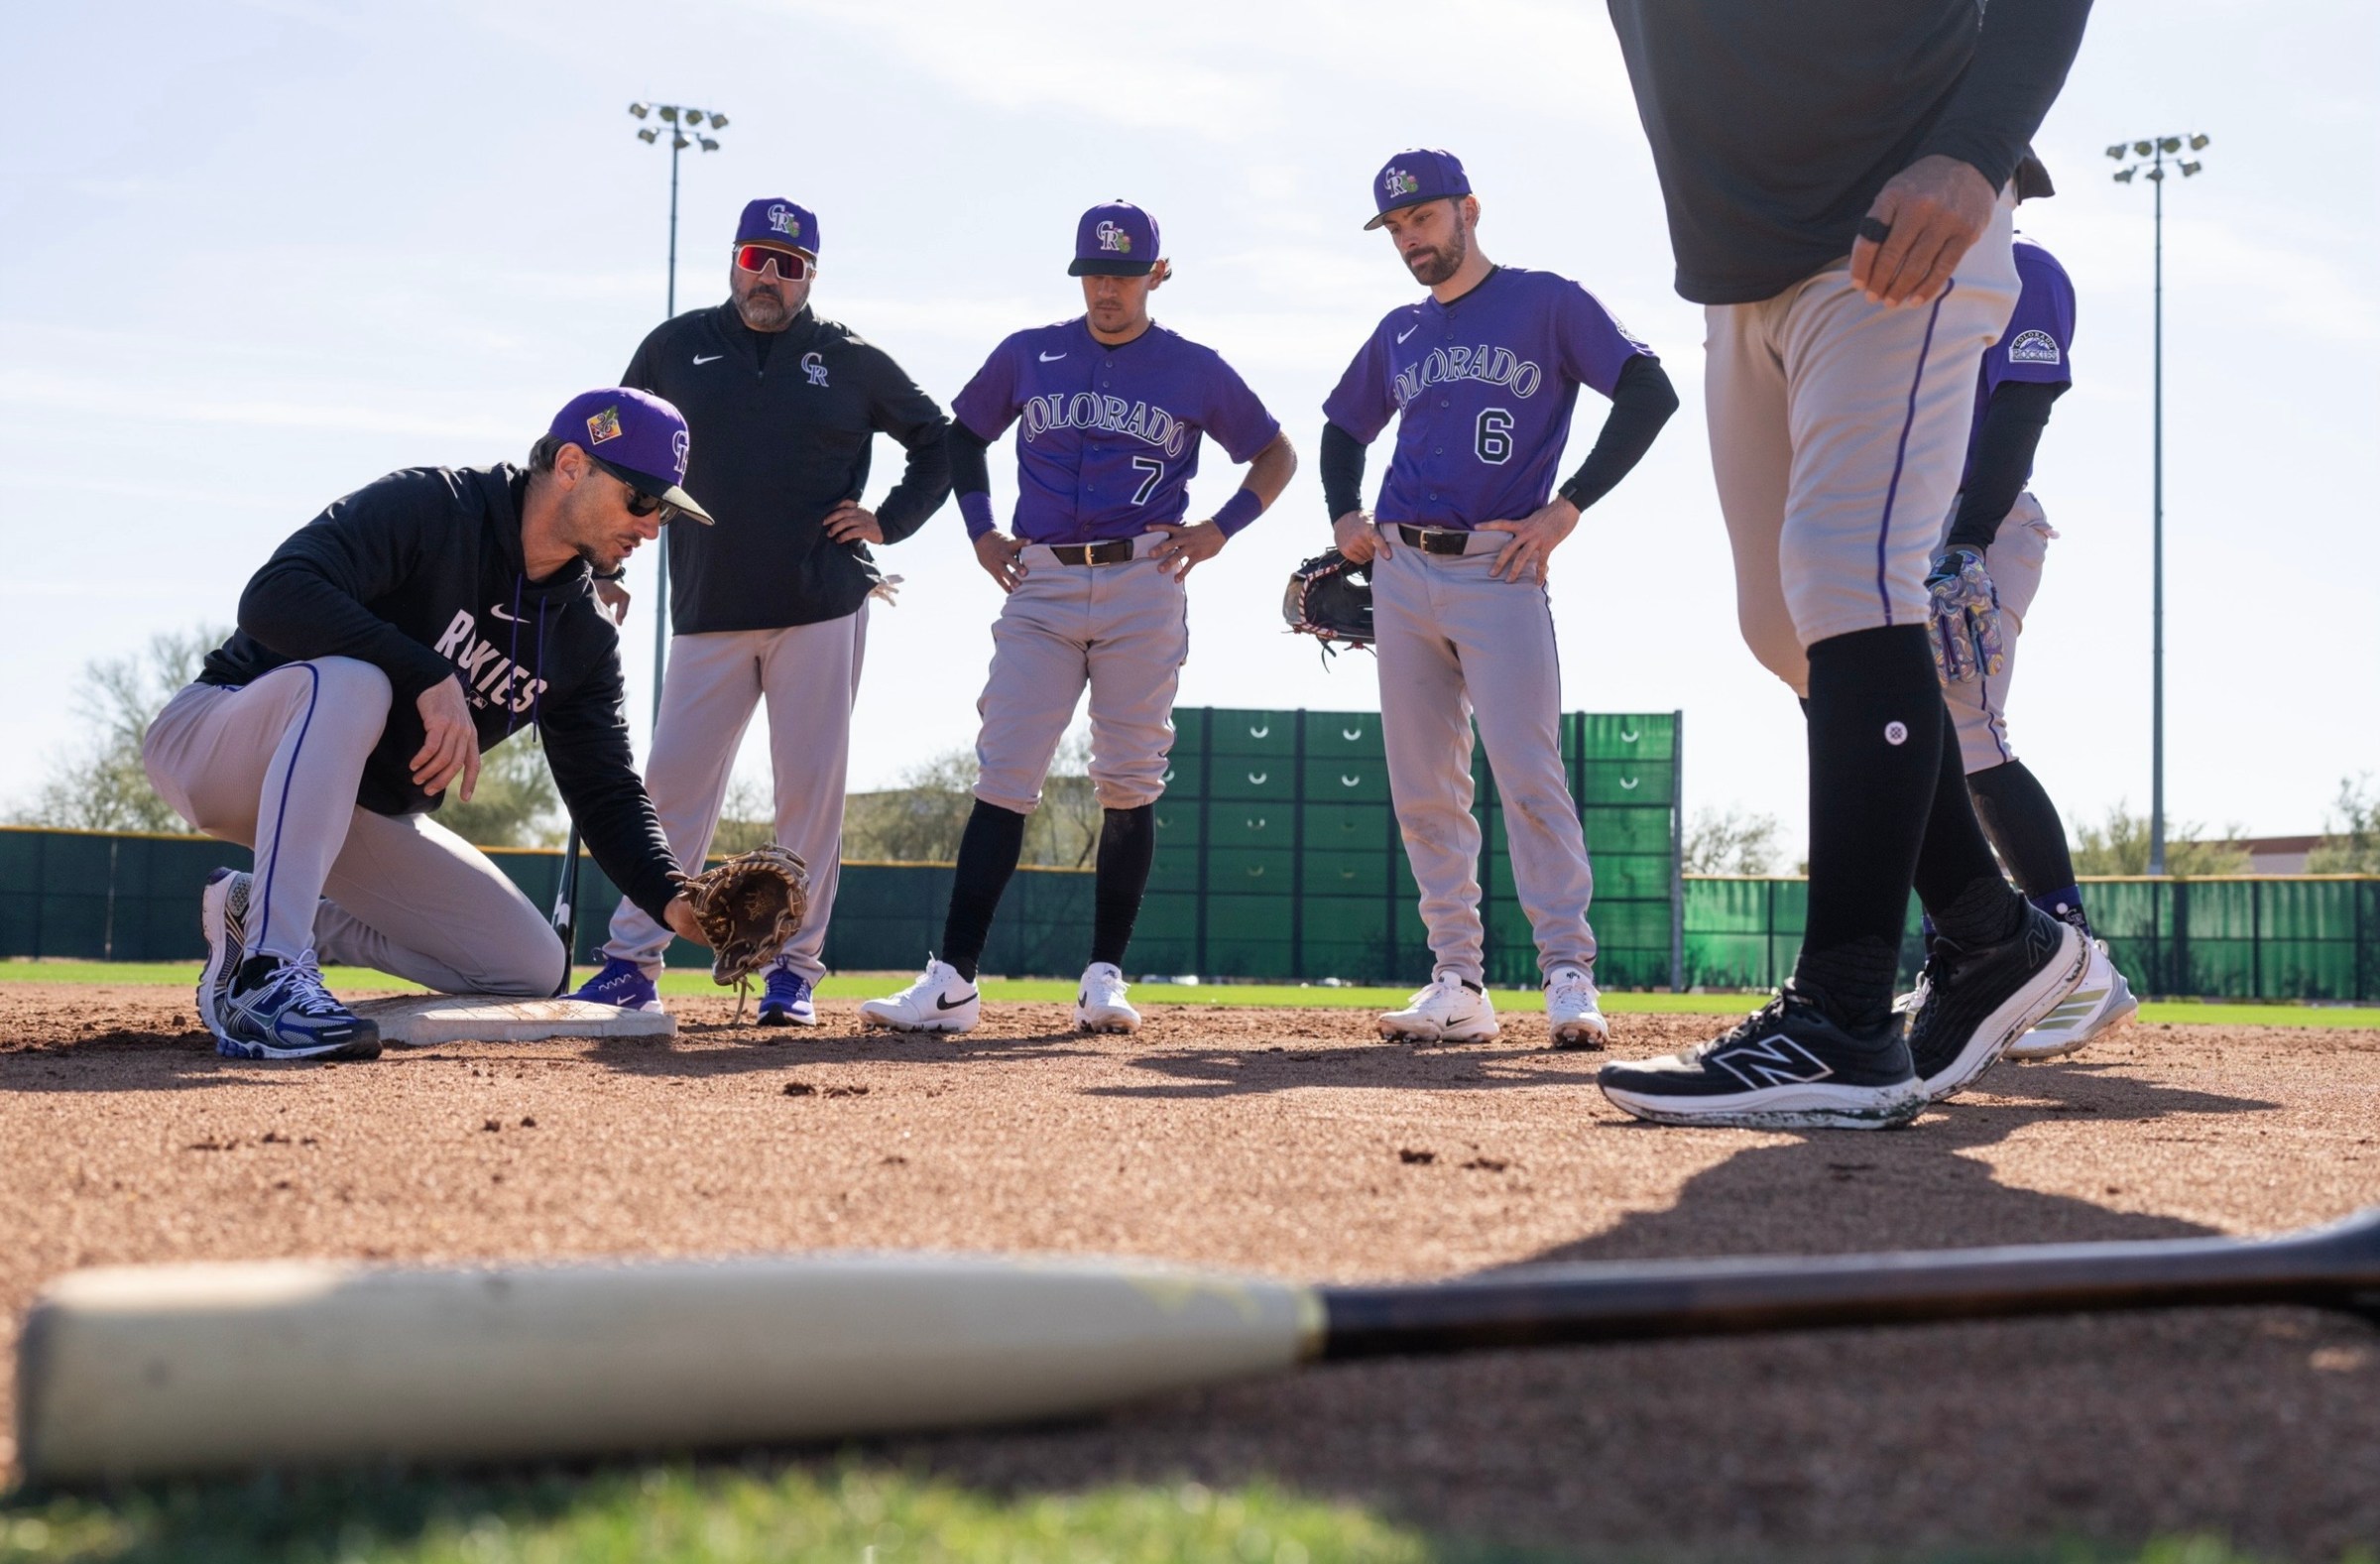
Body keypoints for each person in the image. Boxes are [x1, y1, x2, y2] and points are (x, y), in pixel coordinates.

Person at [1597, 0, 2096, 1129]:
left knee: (1846, 578)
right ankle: (1989, 935)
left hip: (1901, 222)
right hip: (1743, 263)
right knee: (1783, 624)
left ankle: (1846, 1020)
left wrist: (1973, 153)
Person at [142, 390, 715, 1061]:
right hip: (222, 742)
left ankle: (258, 909)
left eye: (665, 513)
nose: (650, 526)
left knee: (528, 966)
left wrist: (676, 901)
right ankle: (267, 976)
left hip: (350, 810)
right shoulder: (435, 508)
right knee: (359, 681)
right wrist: (424, 672)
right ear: (569, 465)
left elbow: (607, 791)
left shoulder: (579, 637)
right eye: (641, 499)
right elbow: (274, 595)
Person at [861, 200, 1296, 1035]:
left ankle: (1104, 974)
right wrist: (981, 528)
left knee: (1130, 778)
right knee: (1004, 773)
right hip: (1045, 582)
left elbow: (1275, 452)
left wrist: (1219, 529)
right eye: (1095, 271)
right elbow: (963, 435)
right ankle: (953, 981)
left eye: (1125, 273)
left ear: (1156, 275)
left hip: (1145, 576)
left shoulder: (1194, 367)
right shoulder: (1031, 352)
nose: (1108, 287)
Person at [1320, 149, 1678, 1048]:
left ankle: (1567, 974)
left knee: (1529, 776)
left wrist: (1567, 509)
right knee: (1424, 789)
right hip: (1400, 570)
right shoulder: (1400, 330)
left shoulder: (1547, 301)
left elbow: (1649, 390)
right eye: (1397, 228)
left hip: (1500, 568)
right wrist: (1343, 514)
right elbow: (1339, 426)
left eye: (1424, 219)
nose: (1411, 239)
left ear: (1468, 210)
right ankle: (1459, 980)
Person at [572, 197, 951, 1026]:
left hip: (820, 603)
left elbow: (941, 438)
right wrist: (599, 555)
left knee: (808, 796)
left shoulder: (847, 357)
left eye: (788, 264)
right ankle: (633, 960)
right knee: (668, 790)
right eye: (756, 258)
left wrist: (888, 519)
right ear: (734, 261)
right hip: (706, 607)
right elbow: (606, 452)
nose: (769, 276)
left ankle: (796, 973)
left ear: (811, 275)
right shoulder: (674, 348)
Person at [1921, 218, 2138, 1059]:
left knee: (1972, 733)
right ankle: (1982, 950)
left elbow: (2022, 407)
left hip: (1982, 521)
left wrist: (1967, 542)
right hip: (1910, 527)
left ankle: (2075, 956)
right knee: (1921, 745)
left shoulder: (2023, 268)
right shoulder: (1906, 286)